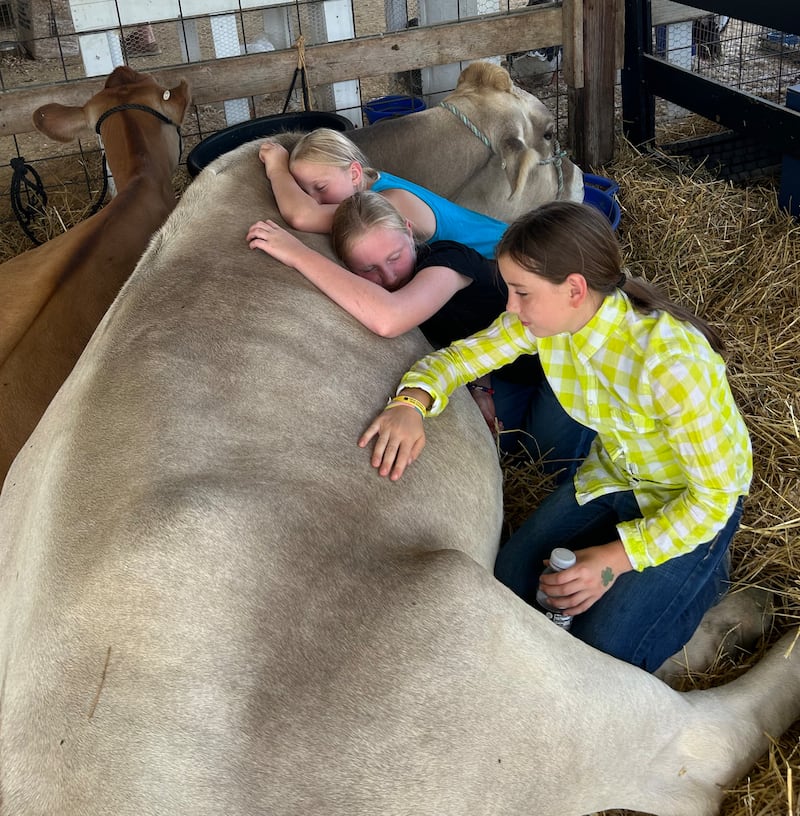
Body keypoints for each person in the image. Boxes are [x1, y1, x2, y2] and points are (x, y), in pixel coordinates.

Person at [357, 200, 752, 672]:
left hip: (689, 501)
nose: (509, 306)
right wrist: (411, 403)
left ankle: (707, 579)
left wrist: (615, 558)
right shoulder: (548, 322)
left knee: (603, 651)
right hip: (613, 477)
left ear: (574, 289)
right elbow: (460, 358)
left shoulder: (672, 364)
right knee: (510, 577)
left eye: (521, 292)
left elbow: (714, 496)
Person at [247, 191, 590, 471]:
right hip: (499, 363)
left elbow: (389, 319)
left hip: (558, 358)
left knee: (549, 461)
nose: (390, 276)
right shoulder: (396, 284)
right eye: (367, 269)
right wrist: (480, 389)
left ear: (410, 232)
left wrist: (298, 254)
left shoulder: (446, 260)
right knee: (506, 450)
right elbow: (466, 339)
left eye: (395, 256)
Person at [254, 127, 507, 258]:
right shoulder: (371, 178)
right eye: (305, 191)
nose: (314, 199)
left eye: (320, 188)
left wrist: (277, 167)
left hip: (504, 256)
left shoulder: (389, 203)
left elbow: (303, 216)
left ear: (354, 173)